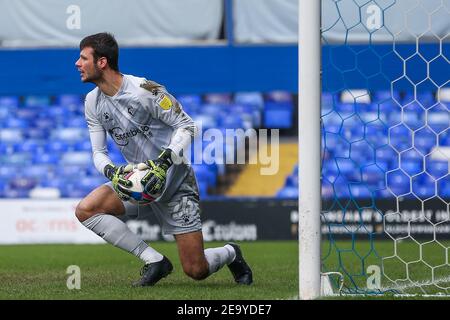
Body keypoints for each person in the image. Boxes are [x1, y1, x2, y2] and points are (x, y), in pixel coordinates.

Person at [74, 32, 252, 287]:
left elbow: (187, 125)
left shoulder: (145, 91)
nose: (77, 64)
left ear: (102, 62)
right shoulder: (92, 102)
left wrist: (165, 161)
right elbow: (98, 153)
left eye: (83, 58)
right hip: (136, 183)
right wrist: (112, 172)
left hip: (175, 183)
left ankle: (231, 252)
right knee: (86, 210)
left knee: (196, 269)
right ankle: (154, 261)